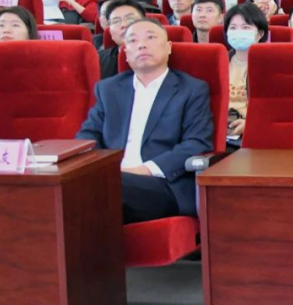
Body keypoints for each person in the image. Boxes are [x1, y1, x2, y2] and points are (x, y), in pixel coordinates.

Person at [76, 19, 212, 224]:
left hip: (162, 183)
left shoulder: (191, 89)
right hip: (111, 177)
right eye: (132, 40)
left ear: (168, 47)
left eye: (150, 37)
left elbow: (197, 143)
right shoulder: (108, 88)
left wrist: (142, 170)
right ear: (125, 53)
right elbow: (88, 135)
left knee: (100, 188)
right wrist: (97, 168)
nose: (141, 45)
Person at [222, 3, 270, 143]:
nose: (239, 32)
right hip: (219, 129)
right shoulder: (218, 61)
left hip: (255, 134)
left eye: (245, 27)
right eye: (233, 28)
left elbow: (277, 110)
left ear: (260, 34)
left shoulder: (270, 65)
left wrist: (251, 124)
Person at [98, 0, 146, 79]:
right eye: (116, 21)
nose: (124, 25)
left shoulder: (159, 54)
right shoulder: (99, 59)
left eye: (130, 19)